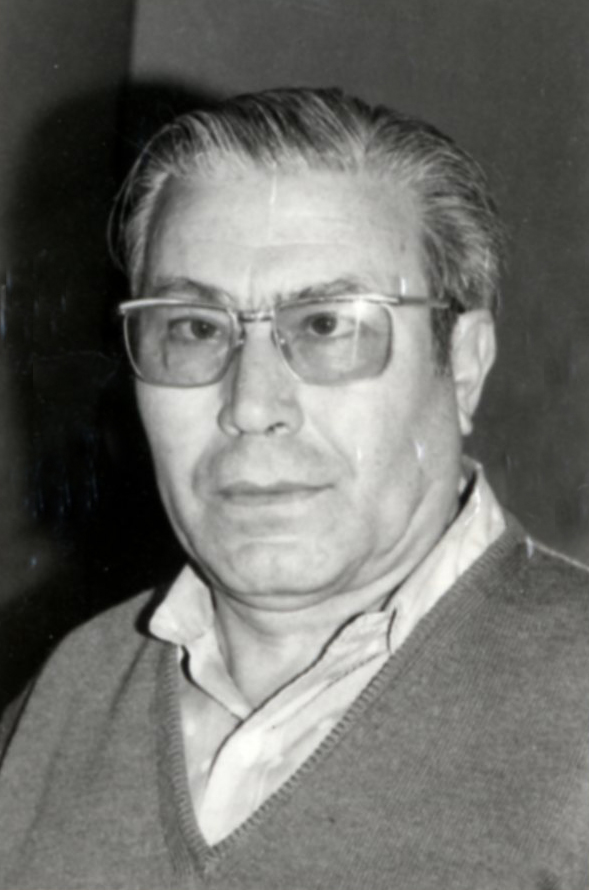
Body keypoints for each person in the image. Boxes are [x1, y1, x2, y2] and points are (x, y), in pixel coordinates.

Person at [1, 87, 588, 890]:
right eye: (194, 328)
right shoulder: (67, 697)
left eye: (325, 326)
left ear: (462, 365)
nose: (250, 406)